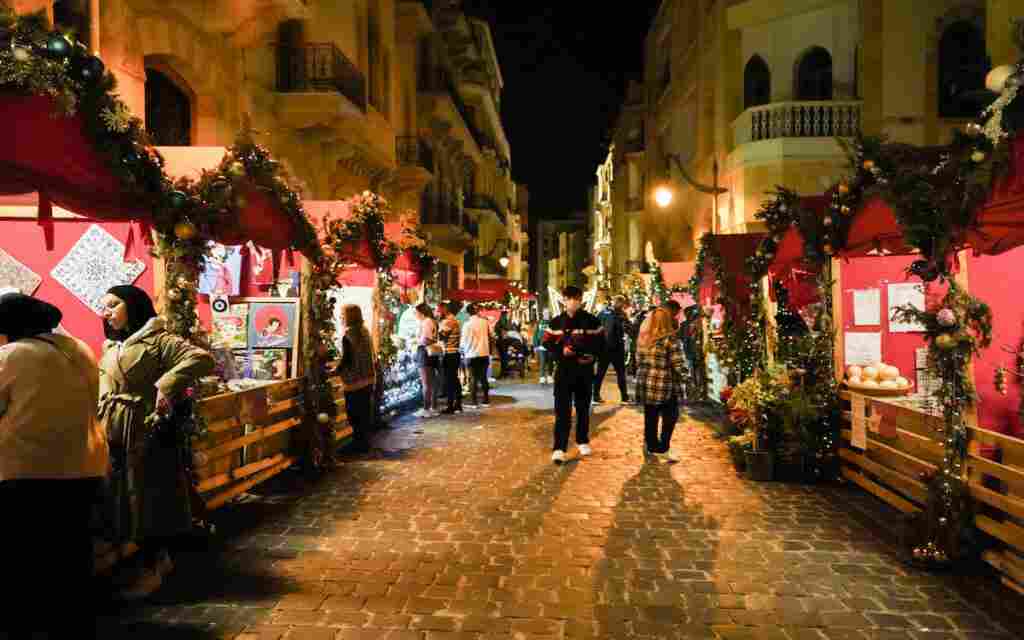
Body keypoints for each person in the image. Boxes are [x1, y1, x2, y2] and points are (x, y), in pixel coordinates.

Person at [98, 285, 214, 599]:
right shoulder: (112, 347)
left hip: (146, 426)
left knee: (149, 494)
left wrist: (166, 384)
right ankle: (142, 561)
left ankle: (156, 563)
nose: (105, 311)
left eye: (112, 304)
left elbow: (201, 359)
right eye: (103, 306)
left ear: (133, 306)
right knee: (121, 496)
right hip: (114, 427)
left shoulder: (158, 340)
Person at [0, 293, 106, 635]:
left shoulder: (12, 355)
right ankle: (73, 624)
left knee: (25, 559)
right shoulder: (80, 350)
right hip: (83, 466)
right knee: (71, 554)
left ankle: (29, 625)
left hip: (27, 470)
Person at [542, 285, 604, 464]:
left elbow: (601, 343)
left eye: (576, 298)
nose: (573, 302)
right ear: (563, 300)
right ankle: (559, 447)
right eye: (569, 298)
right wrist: (562, 350)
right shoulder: (555, 322)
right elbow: (546, 343)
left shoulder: (592, 321)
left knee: (583, 408)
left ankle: (582, 440)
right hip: (564, 371)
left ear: (581, 299)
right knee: (562, 411)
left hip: (584, 371)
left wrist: (591, 356)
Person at [635, 308, 686, 463]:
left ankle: (652, 446)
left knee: (650, 416)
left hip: (646, 383)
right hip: (664, 384)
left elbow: (638, 361)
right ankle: (663, 447)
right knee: (670, 416)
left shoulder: (644, 339)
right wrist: (686, 377)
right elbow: (678, 365)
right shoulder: (671, 340)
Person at [336, 304, 377, 454]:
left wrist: (336, 371)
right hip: (367, 378)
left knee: (354, 414)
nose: (340, 316)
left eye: (342, 314)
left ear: (349, 316)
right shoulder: (364, 331)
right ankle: (364, 443)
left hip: (354, 381)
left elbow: (347, 358)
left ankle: (358, 443)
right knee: (364, 412)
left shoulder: (348, 334)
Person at [593, 295, 631, 404]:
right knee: (616, 373)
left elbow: (595, 328)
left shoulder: (605, 313)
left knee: (604, 373)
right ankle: (624, 397)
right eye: (621, 303)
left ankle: (596, 396)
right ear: (618, 302)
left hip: (609, 348)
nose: (622, 305)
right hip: (611, 349)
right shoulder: (616, 314)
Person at [461, 303, 492, 407]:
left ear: (468, 313)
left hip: (471, 354)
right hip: (484, 352)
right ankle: (486, 400)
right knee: (483, 377)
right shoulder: (485, 322)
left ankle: (473, 402)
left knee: (473, 378)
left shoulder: (467, 324)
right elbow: (490, 335)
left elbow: (464, 341)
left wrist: (463, 351)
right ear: (477, 311)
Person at [414, 303, 440, 418]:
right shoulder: (433, 321)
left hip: (425, 353)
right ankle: (433, 407)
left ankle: (426, 409)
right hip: (432, 353)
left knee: (426, 383)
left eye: (416, 312)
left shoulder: (426, 322)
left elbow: (425, 340)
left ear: (421, 312)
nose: (415, 314)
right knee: (432, 382)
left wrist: (416, 341)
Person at [438, 301, 463, 414]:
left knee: (450, 380)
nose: (439, 311)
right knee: (454, 380)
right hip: (453, 353)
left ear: (446, 309)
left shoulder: (449, 321)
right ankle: (457, 404)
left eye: (440, 308)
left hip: (450, 353)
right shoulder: (452, 320)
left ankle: (452, 405)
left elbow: (442, 336)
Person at [533, 312, 553, 383]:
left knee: (550, 361)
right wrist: (535, 345)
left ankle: (550, 376)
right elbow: (535, 334)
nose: (546, 316)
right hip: (541, 345)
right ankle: (542, 376)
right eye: (545, 314)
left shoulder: (552, 323)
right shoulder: (539, 323)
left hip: (551, 345)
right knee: (543, 361)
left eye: (547, 314)